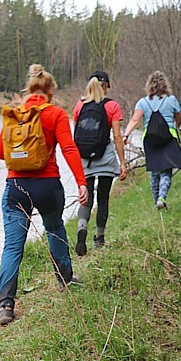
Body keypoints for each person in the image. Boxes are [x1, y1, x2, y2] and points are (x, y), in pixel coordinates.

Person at [0, 64, 88, 326]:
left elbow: (1, 153)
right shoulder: (55, 113)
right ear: (50, 91)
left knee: (13, 246)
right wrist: (81, 182)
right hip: (48, 185)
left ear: (29, 89)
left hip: (16, 188)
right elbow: (69, 148)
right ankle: (65, 278)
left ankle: (5, 304)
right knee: (55, 228)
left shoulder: (16, 114)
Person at [72, 71, 127, 255]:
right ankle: (99, 238)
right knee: (103, 198)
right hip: (105, 157)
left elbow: (78, 135)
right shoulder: (112, 106)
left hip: (84, 159)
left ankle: (81, 226)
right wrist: (123, 163)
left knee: (85, 199)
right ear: (106, 86)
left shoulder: (80, 105)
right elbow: (117, 137)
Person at [122, 70, 181, 210]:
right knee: (166, 171)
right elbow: (179, 119)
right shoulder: (172, 99)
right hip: (169, 138)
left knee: (154, 171)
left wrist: (125, 135)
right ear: (165, 84)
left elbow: (135, 119)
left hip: (150, 140)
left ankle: (155, 200)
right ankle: (162, 198)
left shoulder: (143, 102)